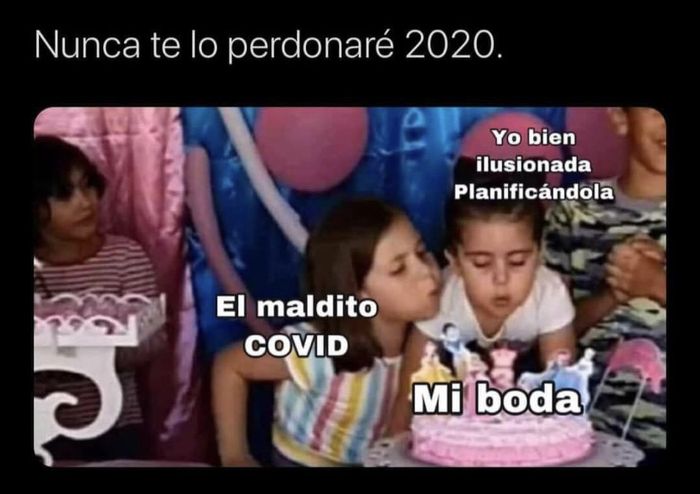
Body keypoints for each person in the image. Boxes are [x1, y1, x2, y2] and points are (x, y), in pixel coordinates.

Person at [211, 198, 441, 467]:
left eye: (422, 252)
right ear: (357, 292)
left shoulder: (432, 340)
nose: (427, 272)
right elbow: (230, 365)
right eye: (398, 269)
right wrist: (235, 455)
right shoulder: (319, 349)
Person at [387, 160, 576, 435]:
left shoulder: (550, 294)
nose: (501, 278)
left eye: (518, 261)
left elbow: (562, 395)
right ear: (455, 262)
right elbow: (409, 395)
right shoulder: (442, 298)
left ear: (539, 255)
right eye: (481, 263)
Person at [33, 135, 167, 463]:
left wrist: (82, 350)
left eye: (88, 186)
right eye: (64, 194)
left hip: (117, 424)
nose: (85, 202)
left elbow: (152, 341)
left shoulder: (124, 257)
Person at [543, 107, 666, 460]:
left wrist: (656, 283)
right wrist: (614, 292)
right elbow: (545, 337)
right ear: (620, 118)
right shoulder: (574, 212)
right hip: (592, 442)